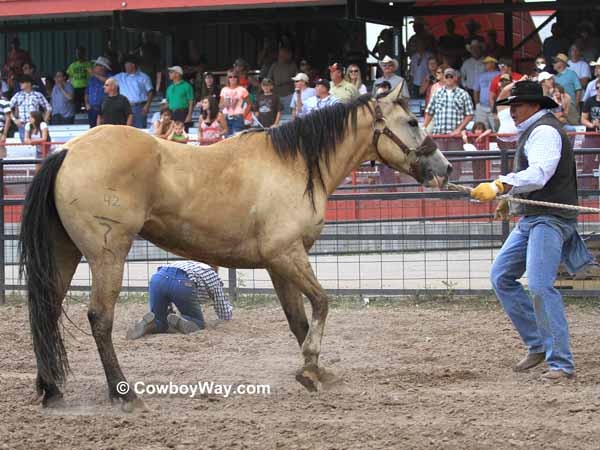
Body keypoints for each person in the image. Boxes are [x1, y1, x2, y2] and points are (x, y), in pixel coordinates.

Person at [472, 80, 594, 380]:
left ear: (535, 106)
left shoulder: (543, 132)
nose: (512, 111)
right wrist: (513, 200)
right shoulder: (538, 130)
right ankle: (539, 344)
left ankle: (561, 362)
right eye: (510, 106)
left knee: (539, 285)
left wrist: (501, 185)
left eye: (517, 105)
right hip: (536, 217)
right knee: (501, 276)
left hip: (548, 218)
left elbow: (539, 173)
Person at [126, 261, 233, 340]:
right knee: (198, 323)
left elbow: (169, 282)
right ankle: (184, 320)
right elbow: (223, 311)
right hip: (183, 283)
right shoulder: (213, 276)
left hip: (158, 278)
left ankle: (148, 324)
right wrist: (227, 314)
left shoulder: (187, 264)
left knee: (160, 321)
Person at [424, 67, 474, 136]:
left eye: (451, 76)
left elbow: (470, 115)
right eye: (447, 76)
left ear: (455, 78)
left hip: (456, 136)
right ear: (444, 78)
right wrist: (424, 127)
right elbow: (429, 112)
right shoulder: (437, 93)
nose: (449, 78)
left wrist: (458, 130)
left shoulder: (463, 94)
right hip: (438, 134)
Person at [113, 55, 154, 129]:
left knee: (139, 130)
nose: (125, 66)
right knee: (125, 130)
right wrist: (95, 74)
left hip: (138, 107)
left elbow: (150, 92)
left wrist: (147, 105)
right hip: (124, 107)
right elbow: (107, 80)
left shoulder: (144, 77)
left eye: (126, 64)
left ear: (133, 65)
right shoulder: (121, 76)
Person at [10, 75, 51, 142]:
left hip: (35, 125)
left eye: (22, 82)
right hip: (22, 125)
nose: (20, 84)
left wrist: (44, 121)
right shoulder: (17, 95)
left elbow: (48, 108)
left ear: (29, 83)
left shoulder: (37, 95)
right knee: (25, 147)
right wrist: (14, 120)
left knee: (37, 145)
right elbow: (8, 108)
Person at [553, 53, 582, 125]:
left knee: (574, 127)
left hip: (571, 107)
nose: (553, 64)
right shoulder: (554, 77)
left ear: (562, 63)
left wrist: (575, 105)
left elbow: (578, 90)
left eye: (555, 62)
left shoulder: (572, 74)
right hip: (559, 108)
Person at [267, 47, 297, 115]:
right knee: (276, 114)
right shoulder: (274, 65)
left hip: (289, 95)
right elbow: (268, 79)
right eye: (280, 55)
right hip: (276, 95)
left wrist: (286, 80)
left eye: (284, 54)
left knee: (288, 115)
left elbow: (297, 79)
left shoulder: (293, 65)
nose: (282, 56)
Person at [220, 71, 250, 137]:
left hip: (238, 117)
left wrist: (243, 115)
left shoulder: (242, 89)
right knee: (227, 140)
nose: (232, 78)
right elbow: (220, 105)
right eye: (230, 77)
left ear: (238, 78)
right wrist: (225, 103)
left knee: (236, 140)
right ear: (227, 78)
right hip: (226, 117)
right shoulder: (224, 89)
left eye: (235, 76)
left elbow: (249, 104)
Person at [474, 56, 500, 131]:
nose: (485, 65)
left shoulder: (499, 74)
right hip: (481, 107)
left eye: (487, 63)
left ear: (493, 64)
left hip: (495, 107)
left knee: (496, 129)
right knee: (481, 128)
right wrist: (477, 104)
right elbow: (476, 90)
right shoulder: (481, 75)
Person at [85, 56, 112, 128]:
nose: (94, 66)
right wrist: (87, 104)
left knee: (104, 128)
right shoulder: (91, 79)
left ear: (103, 67)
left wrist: (93, 73)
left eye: (97, 65)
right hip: (92, 108)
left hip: (105, 108)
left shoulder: (110, 77)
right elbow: (87, 92)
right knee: (93, 129)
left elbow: (108, 82)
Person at [165, 66, 194, 132]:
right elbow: (167, 102)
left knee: (182, 133)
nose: (169, 74)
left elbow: (191, 101)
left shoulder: (187, 86)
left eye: (171, 72)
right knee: (171, 134)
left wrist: (189, 115)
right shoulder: (169, 87)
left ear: (178, 74)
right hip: (171, 113)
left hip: (182, 113)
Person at [66, 47, 93, 113]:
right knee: (76, 107)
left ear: (84, 54)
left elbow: (93, 76)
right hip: (75, 89)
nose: (79, 54)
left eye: (80, 53)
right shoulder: (73, 65)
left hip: (86, 88)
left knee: (87, 106)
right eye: (77, 53)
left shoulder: (88, 64)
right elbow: (67, 76)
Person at [0, 93, 12, 157]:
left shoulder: (4, 101)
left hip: (0, 130)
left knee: (1, 151)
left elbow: (8, 118)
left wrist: (4, 134)